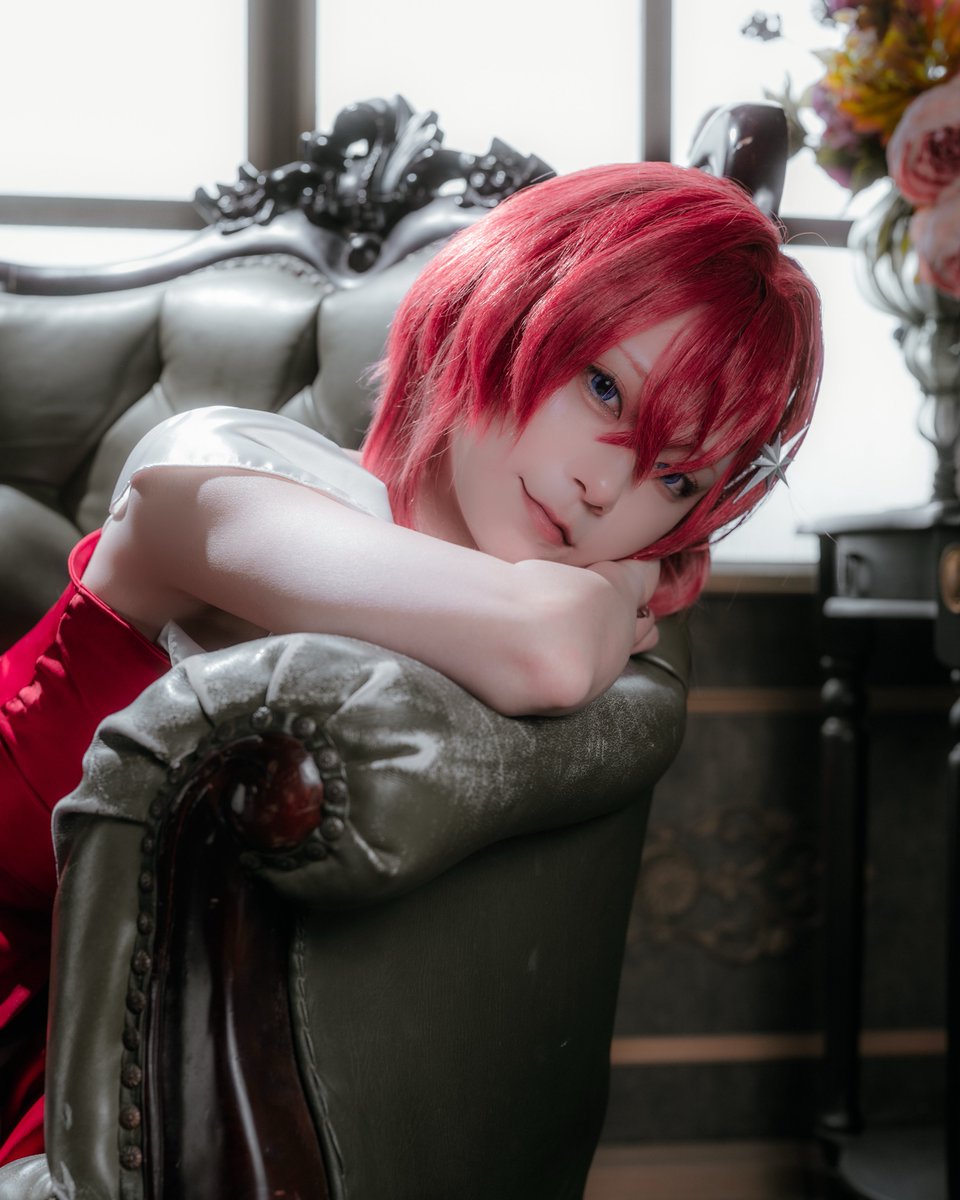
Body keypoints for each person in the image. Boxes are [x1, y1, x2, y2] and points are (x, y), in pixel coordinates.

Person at [0, 160, 823, 1164]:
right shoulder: (222, 468)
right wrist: (622, 587)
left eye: (676, 477)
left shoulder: (534, 601)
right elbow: (544, 648)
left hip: (133, 1086)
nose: (607, 489)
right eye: (603, 386)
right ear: (505, 306)